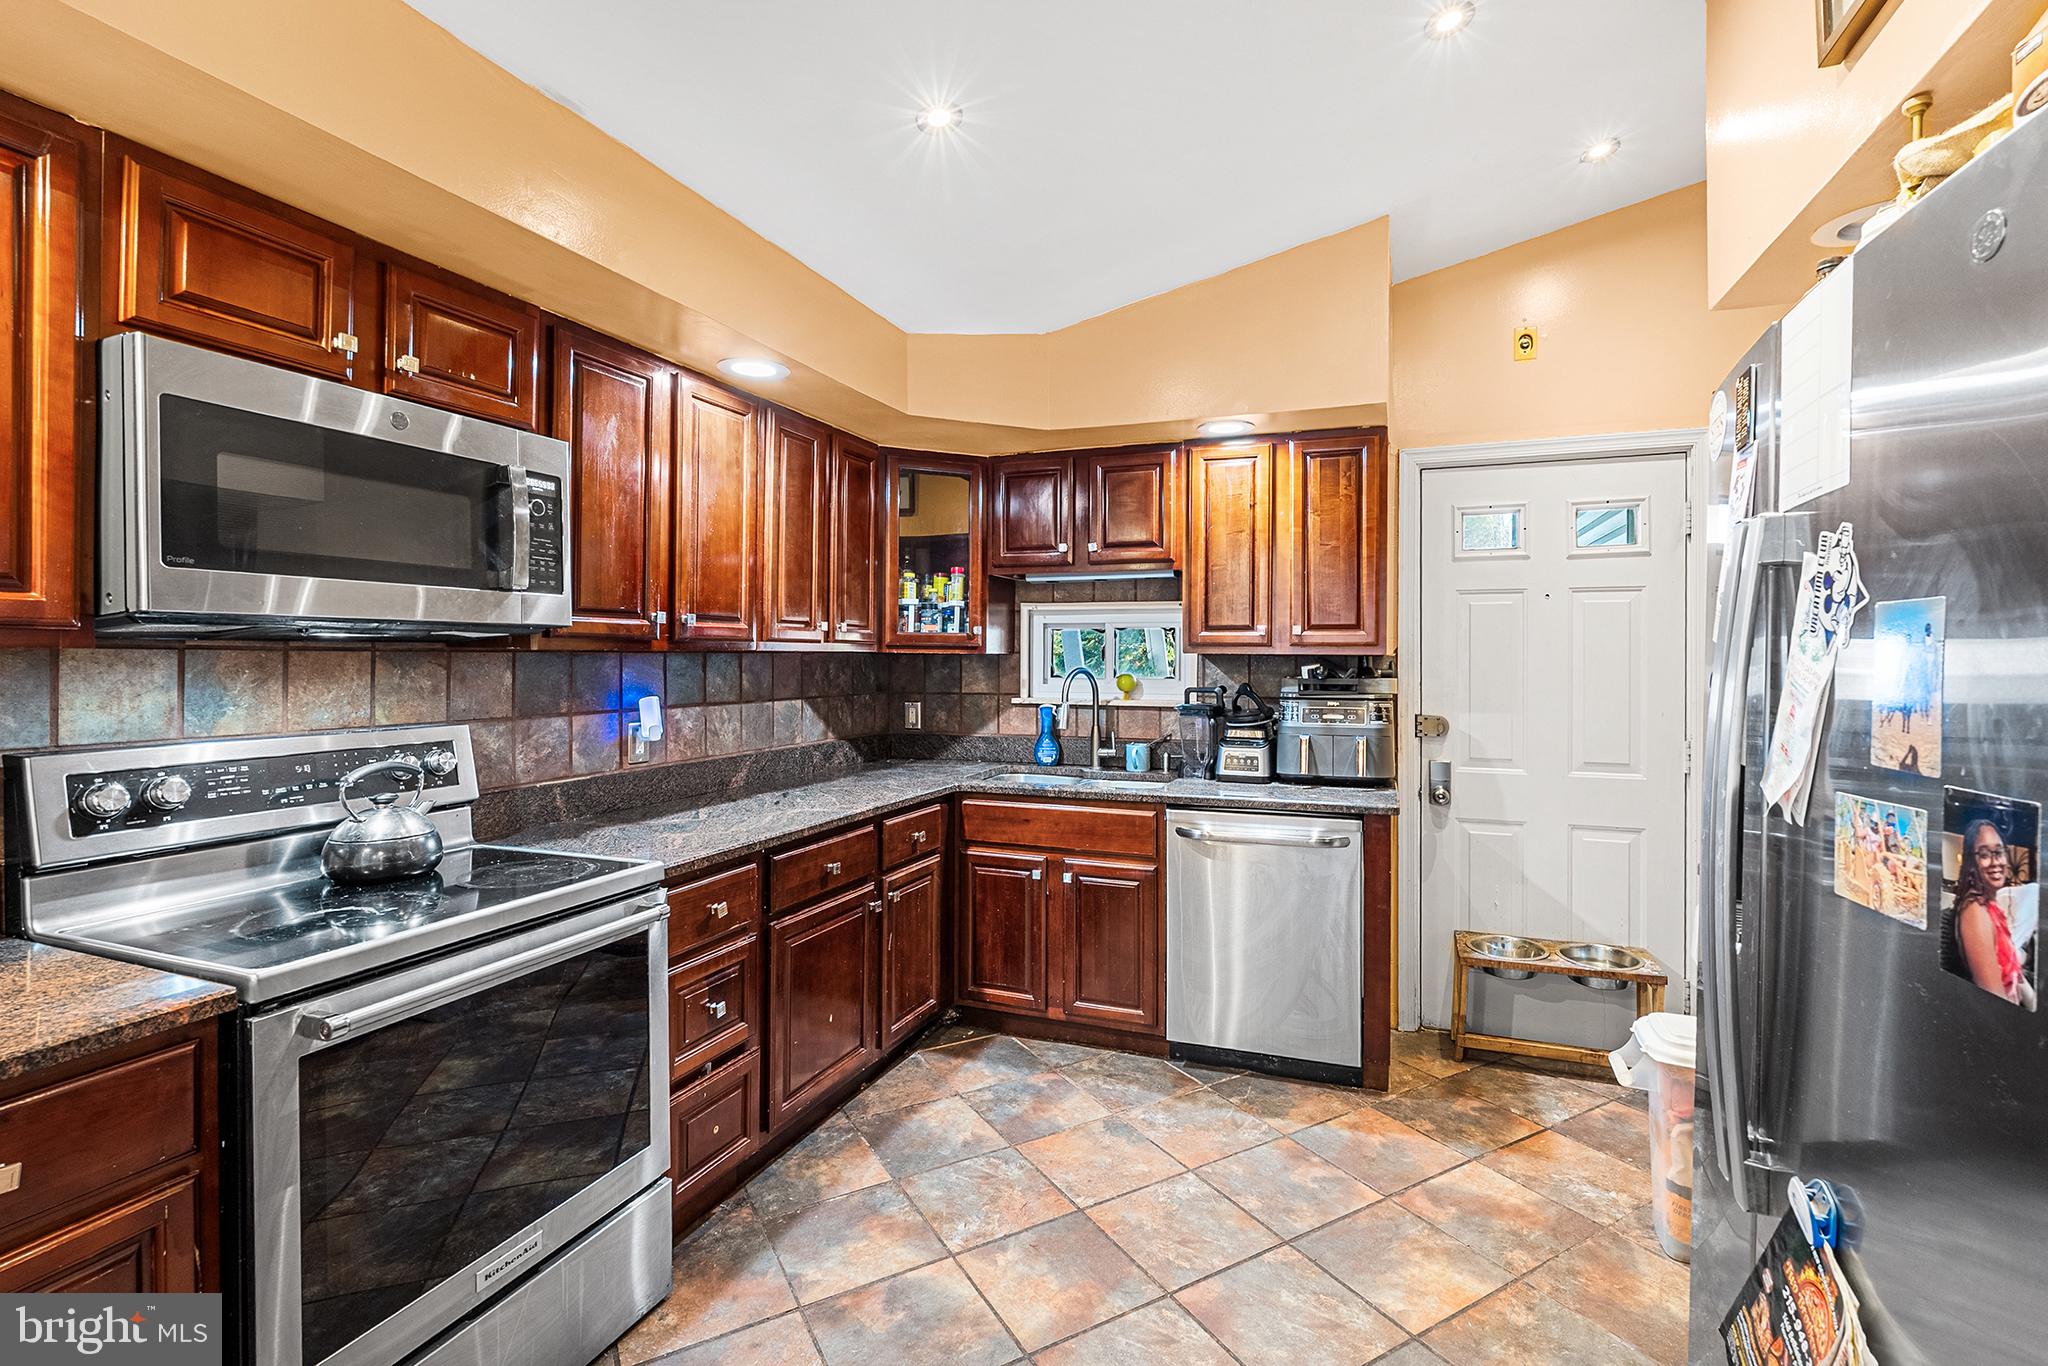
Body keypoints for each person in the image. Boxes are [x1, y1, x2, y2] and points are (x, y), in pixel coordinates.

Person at [1952, 819, 2037, 1009]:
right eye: (1984, 855)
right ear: (1971, 861)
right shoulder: (1975, 911)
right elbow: (1993, 1000)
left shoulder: (1991, 905)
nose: (1995, 862)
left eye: (1999, 853)